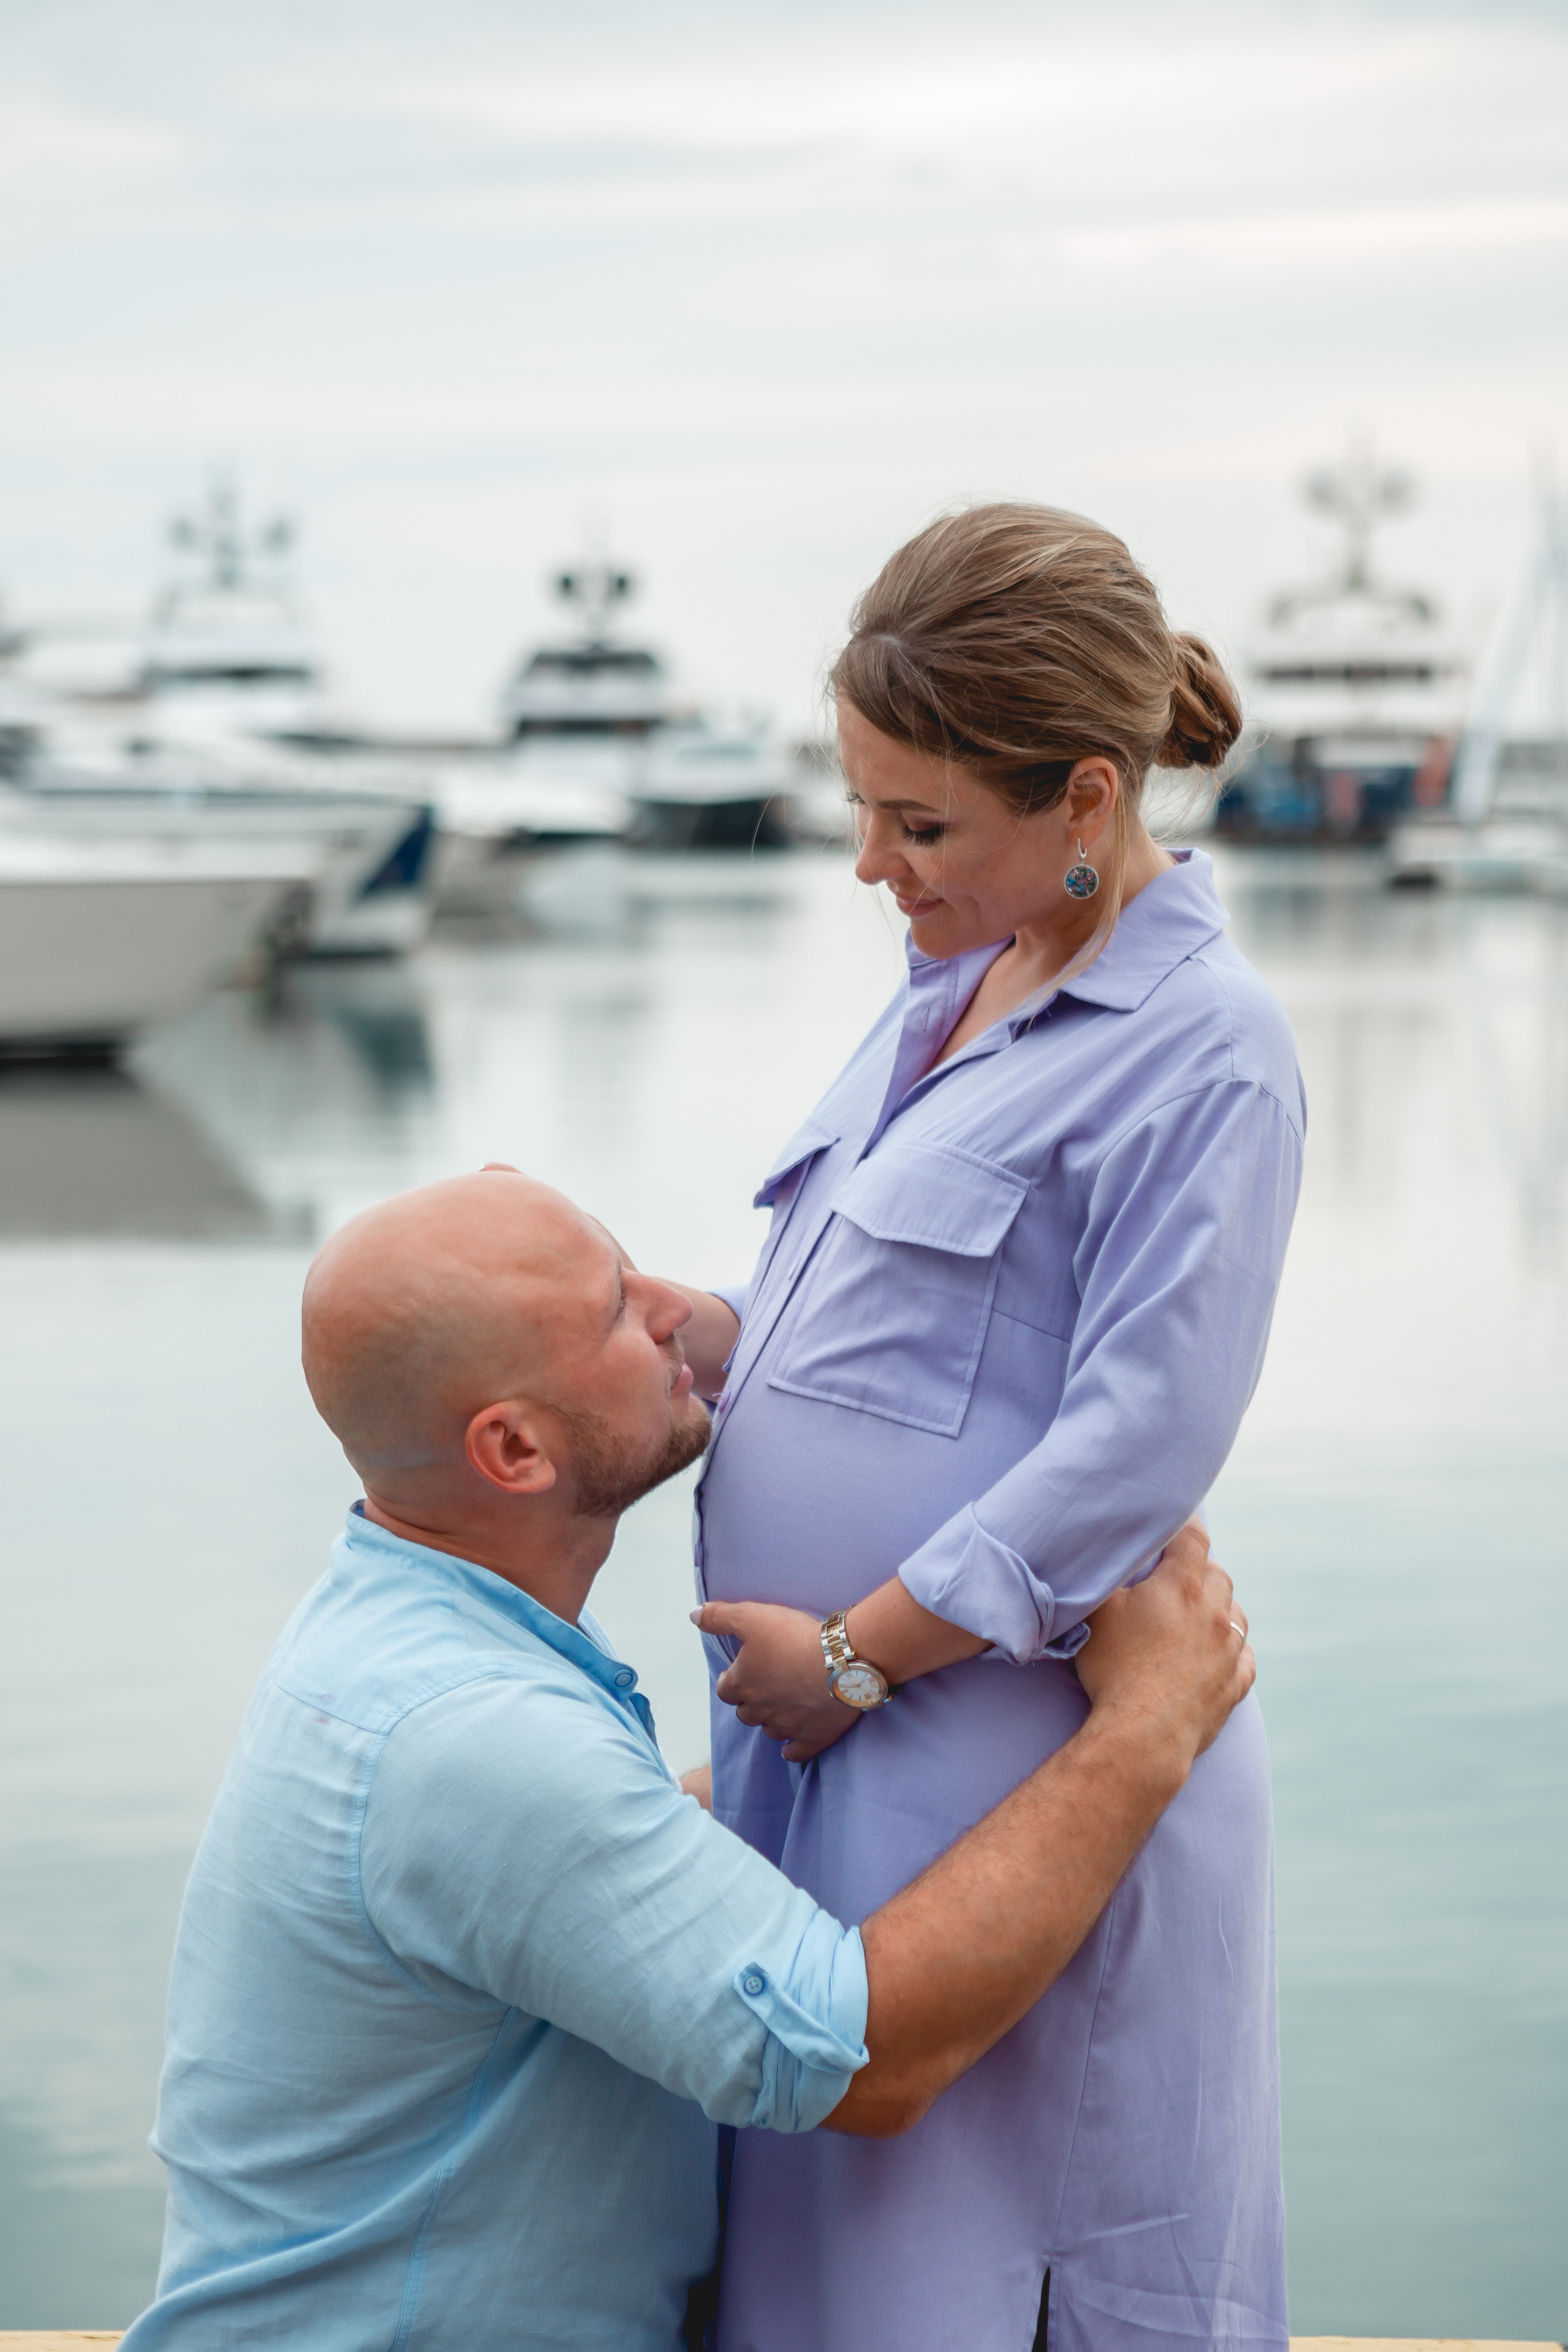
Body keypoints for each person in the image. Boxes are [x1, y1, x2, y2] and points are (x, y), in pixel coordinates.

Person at [119, 1169, 1254, 2352]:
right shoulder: (474, 1738)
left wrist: (867, 1703)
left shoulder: (402, 1638)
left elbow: (593, 1857)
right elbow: (863, 2058)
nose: (676, 1309)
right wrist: (1149, 1723)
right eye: (617, 1307)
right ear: (514, 1449)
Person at [668, 505, 1307, 2351]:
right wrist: (688, 1339)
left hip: (999, 1765)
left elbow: (1138, 1441)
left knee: (992, 2268)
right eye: (862, 808)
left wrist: (856, 1659)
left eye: (920, 823)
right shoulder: (956, 986)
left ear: (1084, 797)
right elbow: (906, 1340)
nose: (871, 862)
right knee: (828, 2258)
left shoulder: (1204, 1049)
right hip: (836, 1754)